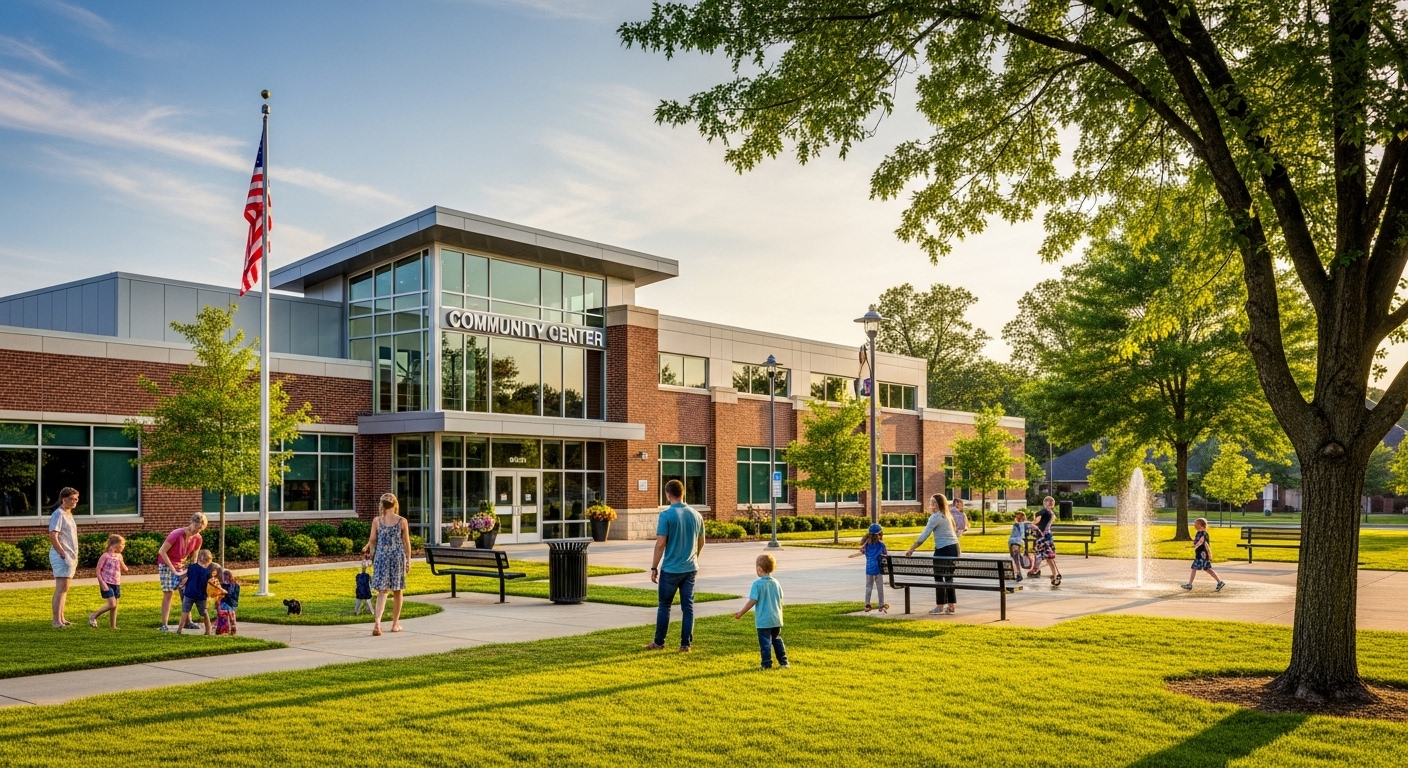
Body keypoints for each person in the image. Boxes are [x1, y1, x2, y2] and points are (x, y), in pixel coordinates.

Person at [646, 478, 704, 652]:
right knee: (688, 607)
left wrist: (654, 567)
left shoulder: (665, 515)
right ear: (683, 493)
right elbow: (701, 541)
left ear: (667, 494)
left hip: (671, 569)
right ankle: (685, 645)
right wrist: (695, 557)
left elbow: (660, 543)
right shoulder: (696, 515)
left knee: (665, 605)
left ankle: (659, 642)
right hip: (690, 568)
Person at [363, 492, 411, 636]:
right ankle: (395, 624)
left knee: (382, 591)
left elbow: (372, 540)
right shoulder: (402, 521)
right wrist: (409, 559)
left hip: (381, 558)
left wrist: (368, 551)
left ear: (382, 505)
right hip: (397, 558)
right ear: (395, 504)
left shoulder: (377, 520)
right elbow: (406, 542)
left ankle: (378, 623)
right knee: (397, 591)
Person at [906, 494, 960, 614]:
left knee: (938, 577)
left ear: (940, 504)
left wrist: (912, 548)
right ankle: (951, 606)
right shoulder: (947, 515)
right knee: (949, 578)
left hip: (943, 549)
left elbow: (924, 535)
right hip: (954, 548)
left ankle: (940, 606)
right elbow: (955, 531)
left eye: (934, 503)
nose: (932, 505)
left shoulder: (935, 517)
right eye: (931, 503)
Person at [734, 553, 788, 669]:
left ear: (759, 569)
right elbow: (780, 598)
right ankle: (784, 662)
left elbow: (752, 601)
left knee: (765, 643)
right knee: (777, 640)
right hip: (776, 618)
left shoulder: (757, 584)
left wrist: (741, 613)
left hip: (763, 620)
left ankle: (766, 664)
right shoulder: (776, 583)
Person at [157, 513, 208, 632]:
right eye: (196, 527)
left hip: (181, 564)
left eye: (201, 528)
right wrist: (173, 570)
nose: (197, 530)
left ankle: (188, 622)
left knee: (187, 592)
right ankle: (164, 624)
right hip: (166, 563)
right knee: (168, 593)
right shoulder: (176, 534)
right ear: (192, 522)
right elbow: (162, 552)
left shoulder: (198, 538)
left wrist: (192, 572)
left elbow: (194, 558)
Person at [48, 487, 80, 628]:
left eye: (76, 499)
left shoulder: (69, 514)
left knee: (64, 588)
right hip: (62, 555)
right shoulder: (58, 514)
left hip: (70, 555)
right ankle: (56, 621)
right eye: (72, 499)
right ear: (63, 499)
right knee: (61, 588)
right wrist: (61, 551)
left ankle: (62, 618)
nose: (74, 502)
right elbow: (53, 534)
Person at [88, 534, 128, 629]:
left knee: (114, 606)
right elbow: (98, 571)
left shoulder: (119, 556)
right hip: (106, 582)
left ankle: (113, 626)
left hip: (116, 583)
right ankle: (93, 616)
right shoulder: (105, 556)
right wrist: (102, 584)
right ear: (116, 544)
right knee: (112, 604)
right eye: (122, 544)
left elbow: (122, 567)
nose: (123, 547)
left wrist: (124, 567)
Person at [848, 523, 888, 612]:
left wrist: (865, 542)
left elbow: (861, 550)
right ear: (880, 534)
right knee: (880, 587)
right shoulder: (881, 545)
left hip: (869, 569)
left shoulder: (867, 545)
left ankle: (867, 604)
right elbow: (885, 555)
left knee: (868, 587)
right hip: (878, 569)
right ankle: (881, 605)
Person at [176, 550, 215, 635]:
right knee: (204, 613)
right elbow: (210, 583)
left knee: (184, 612)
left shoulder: (191, 567)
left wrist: (183, 583)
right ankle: (208, 630)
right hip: (201, 596)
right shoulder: (207, 572)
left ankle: (179, 631)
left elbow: (187, 577)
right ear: (207, 561)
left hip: (189, 594)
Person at [1183, 518, 1226, 592]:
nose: (1194, 525)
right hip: (1201, 553)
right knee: (1207, 569)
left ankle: (1190, 584)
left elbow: (1200, 542)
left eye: (1196, 524)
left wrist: (1193, 546)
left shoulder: (1203, 533)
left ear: (1200, 525)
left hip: (1202, 554)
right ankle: (1220, 582)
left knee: (1194, 568)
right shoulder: (1199, 532)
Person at [1030, 496, 1063, 587]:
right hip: (1047, 537)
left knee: (1043, 556)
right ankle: (1053, 574)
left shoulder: (1044, 512)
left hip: (1043, 538)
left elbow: (1036, 521)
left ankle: (1036, 570)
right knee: (1048, 558)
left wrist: (1031, 524)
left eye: (1051, 503)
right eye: (1049, 502)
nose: (1050, 504)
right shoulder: (1051, 513)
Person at [1007, 511, 1031, 584]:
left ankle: (1017, 572)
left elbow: (1018, 535)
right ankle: (1017, 572)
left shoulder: (1017, 524)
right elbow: (1025, 535)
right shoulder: (1027, 525)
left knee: (1014, 557)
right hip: (1019, 542)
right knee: (1016, 557)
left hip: (1013, 542)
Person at [216, 568, 241, 635]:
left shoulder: (223, 585)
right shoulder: (235, 585)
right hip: (229, 603)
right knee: (231, 616)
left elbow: (224, 594)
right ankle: (231, 627)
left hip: (224, 603)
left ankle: (223, 629)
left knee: (223, 616)